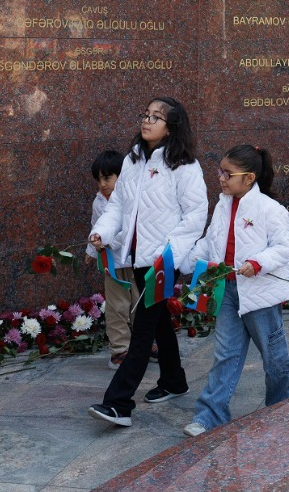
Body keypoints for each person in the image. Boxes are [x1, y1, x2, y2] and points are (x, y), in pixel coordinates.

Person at [88, 97, 208, 427]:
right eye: (146, 115)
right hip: (138, 257)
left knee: (143, 329)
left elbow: (196, 216)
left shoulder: (184, 166)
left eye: (157, 117)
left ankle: (119, 403)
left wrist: (169, 254)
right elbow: (118, 207)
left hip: (162, 262)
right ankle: (174, 379)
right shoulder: (133, 159)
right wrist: (103, 232)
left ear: (172, 127)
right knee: (156, 323)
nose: (147, 121)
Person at [184, 144, 289, 437]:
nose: (221, 178)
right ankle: (209, 415)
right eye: (220, 171)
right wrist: (184, 260)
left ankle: (283, 403)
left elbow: (283, 249)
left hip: (260, 293)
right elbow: (211, 242)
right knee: (226, 354)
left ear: (249, 178)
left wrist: (257, 263)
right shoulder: (222, 205)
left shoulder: (271, 210)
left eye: (228, 173)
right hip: (227, 289)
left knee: (274, 356)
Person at [87, 149, 132, 369]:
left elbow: (129, 231)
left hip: (134, 261)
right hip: (112, 265)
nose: (102, 184)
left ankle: (146, 342)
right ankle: (120, 349)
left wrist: (110, 242)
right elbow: (96, 228)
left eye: (107, 178)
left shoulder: (129, 200)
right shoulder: (98, 203)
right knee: (116, 307)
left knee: (140, 305)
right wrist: (90, 250)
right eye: (99, 180)